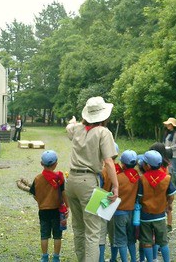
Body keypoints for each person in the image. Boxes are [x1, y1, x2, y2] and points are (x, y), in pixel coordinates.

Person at [66, 96, 119, 262]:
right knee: (93, 230)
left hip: (72, 181)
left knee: (78, 227)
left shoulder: (77, 129)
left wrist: (73, 121)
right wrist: (115, 187)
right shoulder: (104, 132)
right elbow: (109, 162)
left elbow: (69, 126)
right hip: (89, 183)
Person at [29, 150, 69, 262]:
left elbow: (34, 194)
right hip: (57, 210)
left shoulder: (37, 179)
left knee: (44, 235)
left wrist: (41, 201)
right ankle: (56, 257)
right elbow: (64, 192)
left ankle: (44, 257)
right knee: (57, 235)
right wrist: (68, 206)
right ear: (56, 164)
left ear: (42, 164)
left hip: (43, 211)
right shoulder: (59, 178)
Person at [138, 150, 176, 262]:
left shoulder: (143, 179)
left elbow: (140, 196)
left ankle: (150, 260)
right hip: (160, 215)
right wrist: (168, 205)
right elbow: (171, 196)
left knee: (146, 241)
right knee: (163, 241)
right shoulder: (167, 178)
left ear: (148, 166)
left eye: (144, 163)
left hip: (145, 215)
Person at [109, 150, 139, 262]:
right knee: (131, 239)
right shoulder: (138, 177)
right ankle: (134, 260)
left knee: (121, 240)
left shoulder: (118, 178)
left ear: (123, 164)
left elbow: (112, 193)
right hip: (131, 212)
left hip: (119, 213)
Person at [163, 117, 176, 190]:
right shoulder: (167, 134)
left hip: (174, 155)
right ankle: (171, 185)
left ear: (172, 125)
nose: (168, 125)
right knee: (169, 170)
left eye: (169, 124)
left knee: (175, 171)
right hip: (167, 154)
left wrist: (170, 148)